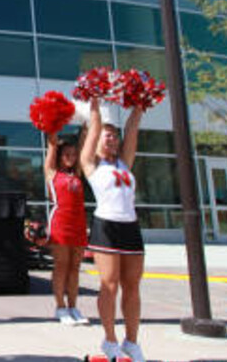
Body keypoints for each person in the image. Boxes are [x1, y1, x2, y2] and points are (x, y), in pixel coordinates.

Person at [80, 97, 146, 362]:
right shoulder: (92, 165)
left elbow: (132, 129)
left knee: (132, 286)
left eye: (114, 136)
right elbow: (94, 126)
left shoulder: (123, 163)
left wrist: (140, 104)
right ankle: (109, 339)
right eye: (107, 136)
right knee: (109, 284)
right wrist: (94, 103)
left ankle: (132, 342)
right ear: (95, 141)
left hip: (130, 226)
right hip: (106, 226)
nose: (112, 140)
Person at [44, 129, 89, 326]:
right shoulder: (52, 173)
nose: (71, 158)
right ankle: (60, 307)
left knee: (75, 267)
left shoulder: (78, 173)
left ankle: (73, 307)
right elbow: (52, 145)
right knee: (61, 266)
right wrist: (52, 130)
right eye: (67, 154)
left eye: (74, 155)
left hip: (79, 224)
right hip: (60, 223)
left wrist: (86, 127)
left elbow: (85, 143)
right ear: (60, 156)